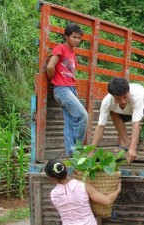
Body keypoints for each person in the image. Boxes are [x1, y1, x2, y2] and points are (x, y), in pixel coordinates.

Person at [92, 77, 144, 163]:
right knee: (113, 111)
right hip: (127, 111)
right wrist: (91, 151)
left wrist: (133, 148)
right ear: (112, 96)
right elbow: (101, 126)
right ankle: (127, 142)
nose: (123, 101)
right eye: (118, 99)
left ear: (129, 91)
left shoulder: (137, 96)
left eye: (125, 96)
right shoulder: (107, 101)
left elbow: (136, 124)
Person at [46, 23, 88, 156]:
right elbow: (50, 67)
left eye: (79, 38)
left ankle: (71, 154)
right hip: (62, 89)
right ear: (66, 36)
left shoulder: (72, 53)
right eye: (74, 37)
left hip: (71, 89)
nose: (77, 40)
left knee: (70, 123)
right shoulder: (60, 48)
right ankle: (78, 152)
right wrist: (54, 81)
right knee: (83, 116)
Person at [44, 159, 121, 225]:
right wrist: (117, 190)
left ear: (51, 178)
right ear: (66, 170)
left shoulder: (52, 195)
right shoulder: (83, 186)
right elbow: (107, 200)